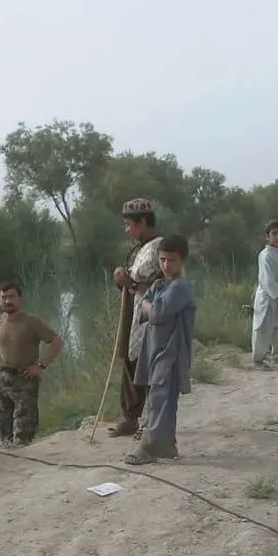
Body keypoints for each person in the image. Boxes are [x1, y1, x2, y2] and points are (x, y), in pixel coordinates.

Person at [123, 234, 196, 465]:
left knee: (160, 398)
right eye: (163, 260)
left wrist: (147, 303)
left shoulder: (180, 287)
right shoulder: (159, 285)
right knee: (159, 397)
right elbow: (147, 309)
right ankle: (167, 445)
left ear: (182, 261)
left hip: (171, 351)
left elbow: (155, 313)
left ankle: (150, 447)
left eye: (171, 260)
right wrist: (149, 304)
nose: (166, 265)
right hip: (155, 350)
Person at [0, 281, 63, 447]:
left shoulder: (32, 322)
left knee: (24, 428)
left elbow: (56, 341)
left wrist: (40, 366)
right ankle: (8, 452)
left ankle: (24, 452)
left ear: (20, 299)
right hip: (3, 379)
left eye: (12, 297)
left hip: (24, 379)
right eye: (4, 297)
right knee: (3, 424)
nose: (8, 301)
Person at [108, 198, 163, 439]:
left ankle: (152, 422)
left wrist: (129, 283)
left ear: (142, 222)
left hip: (150, 316)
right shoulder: (137, 249)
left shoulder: (161, 249)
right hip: (133, 313)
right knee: (130, 364)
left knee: (149, 367)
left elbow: (160, 285)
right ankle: (130, 418)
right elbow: (131, 281)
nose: (127, 230)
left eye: (129, 225)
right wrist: (122, 278)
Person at [251, 219, 278, 371]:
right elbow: (268, 281)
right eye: (274, 234)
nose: (277, 237)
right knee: (263, 329)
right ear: (267, 237)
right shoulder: (265, 255)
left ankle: (277, 358)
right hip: (267, 298)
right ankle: (258, 360)